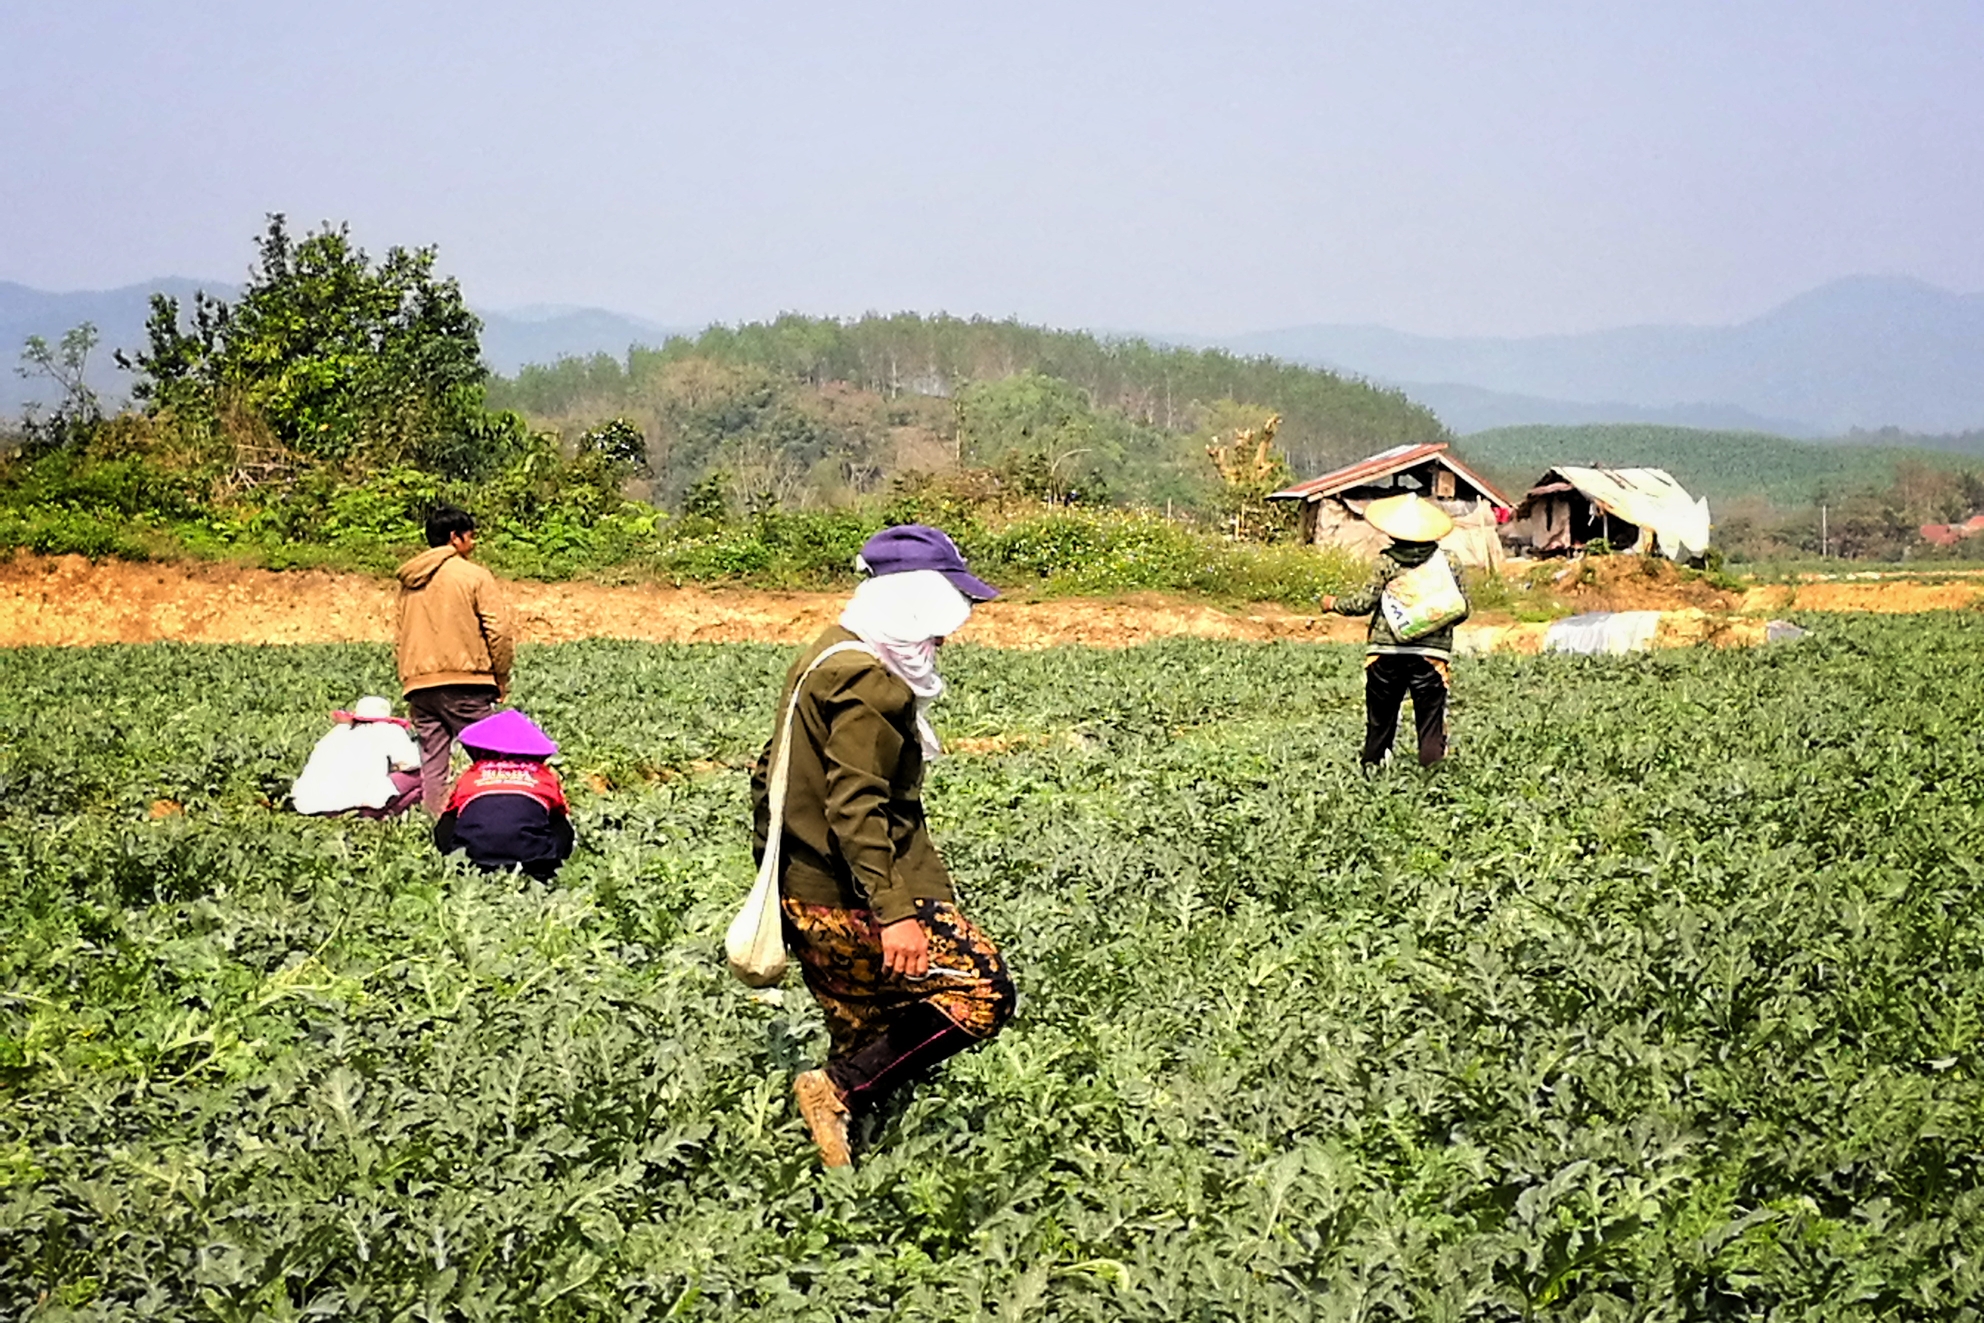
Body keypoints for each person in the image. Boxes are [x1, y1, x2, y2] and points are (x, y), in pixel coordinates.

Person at [753, 524, 1016, 1168]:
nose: (948, 635)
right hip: (855, 894)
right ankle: (835, 1091)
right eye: (944, 613)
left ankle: (844, 1179)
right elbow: (856, 805)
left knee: (863, 1028)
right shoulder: (869, 680)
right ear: (915, 603)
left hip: (809, 888)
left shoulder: (828, 653)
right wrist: (895, 914)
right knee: (983, 992)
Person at [1319, 492, 1467, 770]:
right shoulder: (1449, 562)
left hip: (1385, 653)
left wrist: (1333, 604)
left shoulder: (1386, 561)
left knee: (1380, 719)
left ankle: (1372, 772)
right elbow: (1461, 609)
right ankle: (1433, 781)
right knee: (1430, 722)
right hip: (1430, 656)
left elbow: (1363, 603)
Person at [396, 506, 514, 814]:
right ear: (455, 538)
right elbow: (498, 631)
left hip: (418, 683)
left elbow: (400, 631)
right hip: (464, 679)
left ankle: (437, 824)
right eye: (471, 537)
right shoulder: (473, 576)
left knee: (433, 764)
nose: (473, 544)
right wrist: (501, 676)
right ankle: (501, 816)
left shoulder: (410, 580)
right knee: (499, 756)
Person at [433, 709, 574, 880]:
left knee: (450, 817)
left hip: (473, 858)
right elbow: (561, 815)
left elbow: (450, 814)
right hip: (533, 859)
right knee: (557, 819)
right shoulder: (543, 775)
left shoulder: (472, 774)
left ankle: (456, 860)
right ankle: (545, 869)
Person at [290, 695, 422, 818]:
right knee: (423, 774)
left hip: (311, 804)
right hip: (358, 804)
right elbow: (410, 763)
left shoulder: (337, 732)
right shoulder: (388, 729)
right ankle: (385, 814)